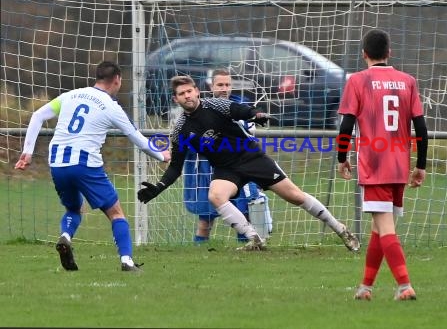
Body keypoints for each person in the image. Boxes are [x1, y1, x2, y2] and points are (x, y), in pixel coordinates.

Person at [137, 75, 360, 252]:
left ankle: (340, 229)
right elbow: (176, 166)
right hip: (226, 169)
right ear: (175, 99)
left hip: (250, 157)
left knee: (296, 196)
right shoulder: (180, 130)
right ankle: (254, 239)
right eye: (181, 94)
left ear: (196, 91)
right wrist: (159, 187)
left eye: (189, 91)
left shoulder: (214, 104)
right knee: (215, 196)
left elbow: (239, 110)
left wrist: (256, 114)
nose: (187, 96)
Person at [14, 61, 171, 271]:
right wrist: (162, 156)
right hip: (85, 164)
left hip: (58, 163)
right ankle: (127, 261)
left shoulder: (71, 95)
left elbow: (38, 115)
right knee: (116, 213)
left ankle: (66, 236)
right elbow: (137, 138)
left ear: (97, 78)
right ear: (117, 80)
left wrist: (28, 152)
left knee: (74, 208)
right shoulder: (111, 106)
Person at [336, 29, 428, 301]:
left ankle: (405, 285)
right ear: (389, 52)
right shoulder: (408, 81)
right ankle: (365, 288)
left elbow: (346, 125)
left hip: (374, 166)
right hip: (399, 165)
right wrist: (420, 165)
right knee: (379, 228)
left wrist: (342, 158)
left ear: (364, 53)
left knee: (385, 228)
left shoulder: (358, 81)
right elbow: (421, 127)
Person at [183, 68, 272, 243]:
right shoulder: (200, 108)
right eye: (220, 84)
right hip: (207, 168)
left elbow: (250, 132)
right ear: (211, 86)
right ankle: (200, 255)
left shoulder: (240, 106)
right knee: (205, 219)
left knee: (244, 213)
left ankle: (245, 250)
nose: (224, 88)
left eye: (227, 84)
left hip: (238, 166)